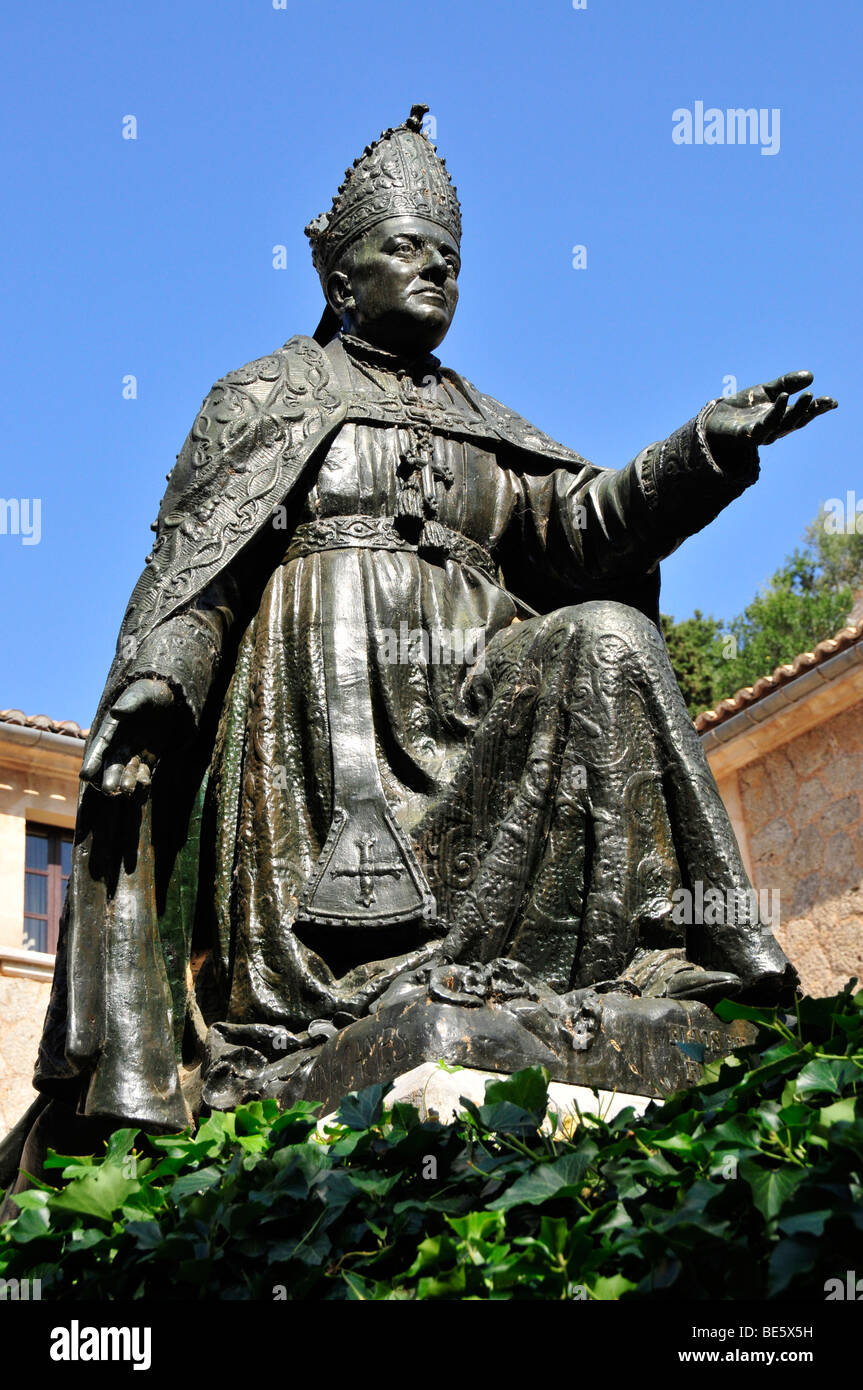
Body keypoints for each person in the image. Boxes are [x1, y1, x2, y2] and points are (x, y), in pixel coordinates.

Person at [1, 105, 836, 1169]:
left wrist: (703, 451)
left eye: (450, 254)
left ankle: (648, 961)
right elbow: (199, 578)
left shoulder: (488, 423)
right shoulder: (265, 396)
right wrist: (162, 682)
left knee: (609, 635)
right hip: (319, 737)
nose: (435, 266)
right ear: (338, 280)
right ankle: (327, 1001)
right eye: (405, 248)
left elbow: (582, 533)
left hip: (471, 707)